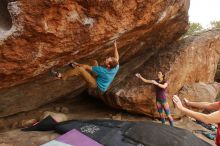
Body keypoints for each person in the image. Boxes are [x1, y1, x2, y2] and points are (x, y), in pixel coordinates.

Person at [51, 41, 119, 93]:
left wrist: (77, 64)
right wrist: (115, 46)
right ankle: (75, 68)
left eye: (108, 59)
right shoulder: (115, 66)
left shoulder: (103, 71)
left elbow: (87, 67)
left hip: (96, 84)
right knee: (94, 62)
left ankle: (62, 76)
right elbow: (117, 57)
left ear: (108, 65)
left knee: (81, 69)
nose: (108, 58)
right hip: (100, 78)